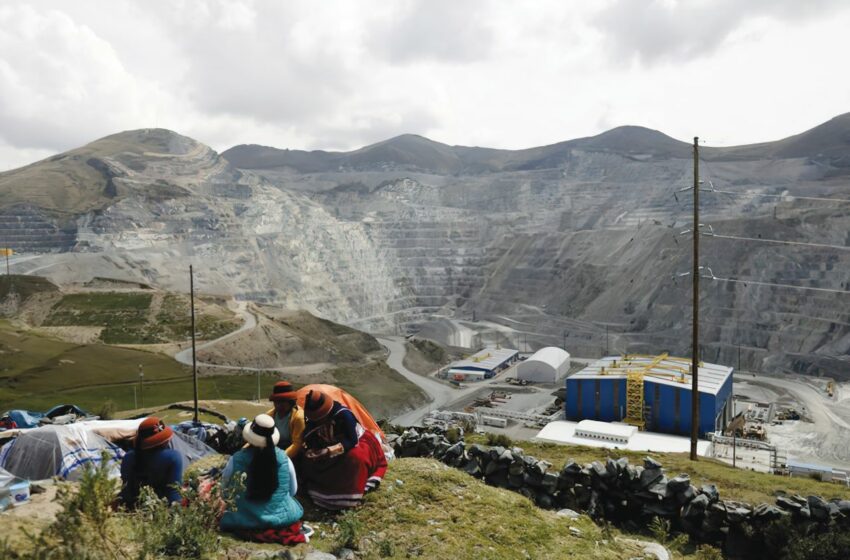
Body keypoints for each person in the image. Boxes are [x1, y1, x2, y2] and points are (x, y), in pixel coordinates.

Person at [220, 414, 307, 544]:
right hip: (281, 516)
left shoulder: (237, 459)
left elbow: (225, 489)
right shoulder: (284, 458)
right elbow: (293, 490)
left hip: (244, 516)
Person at [301, 389, 388, 510]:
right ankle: (323, 491)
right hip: (327, 445)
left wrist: (329, 451)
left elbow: (352, 440)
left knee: (355, 458)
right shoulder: (314, 419)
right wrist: (310, 449)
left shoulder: (344, 415)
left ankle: (348, 496)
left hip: (356, 443)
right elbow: (309, 435)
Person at [119, 416, 184, 508]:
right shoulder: (173, 457)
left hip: (131, 508)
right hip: (159, 509)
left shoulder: (128, 457)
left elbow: (126, 490)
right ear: (163, 440)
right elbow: (173, 494)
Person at [268, 381, 305, 459]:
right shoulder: (270, 415)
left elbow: (297, 444)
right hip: (273, 450)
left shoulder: (298, 417)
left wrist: (280, 458)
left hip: (292, 455)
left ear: (291, 402)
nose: (278, 405)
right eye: (276, 402)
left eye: (282, 402)